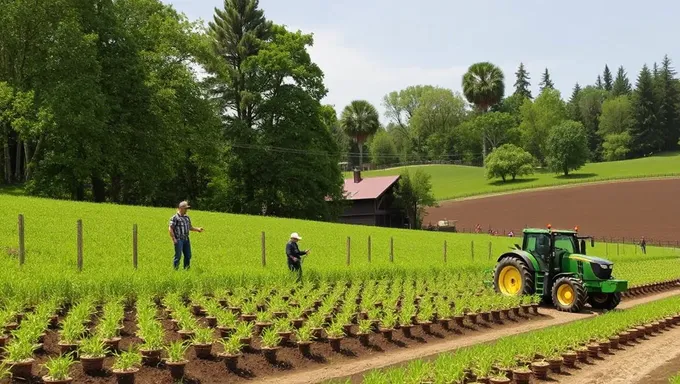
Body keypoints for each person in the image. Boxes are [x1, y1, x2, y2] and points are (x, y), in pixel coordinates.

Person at [168, 200, 204, 270]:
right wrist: (173, 238)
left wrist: (198, 229)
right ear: (181, 208)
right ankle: (175, 270)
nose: (187, 210)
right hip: (178, 239)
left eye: (187, 208)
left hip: (186, 240)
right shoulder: (175, 218)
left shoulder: (187, 217)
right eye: (185, 208)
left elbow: (190, 227)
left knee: (188, 255)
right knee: (178, 256)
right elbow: (170, 228)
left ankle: (186, 269)